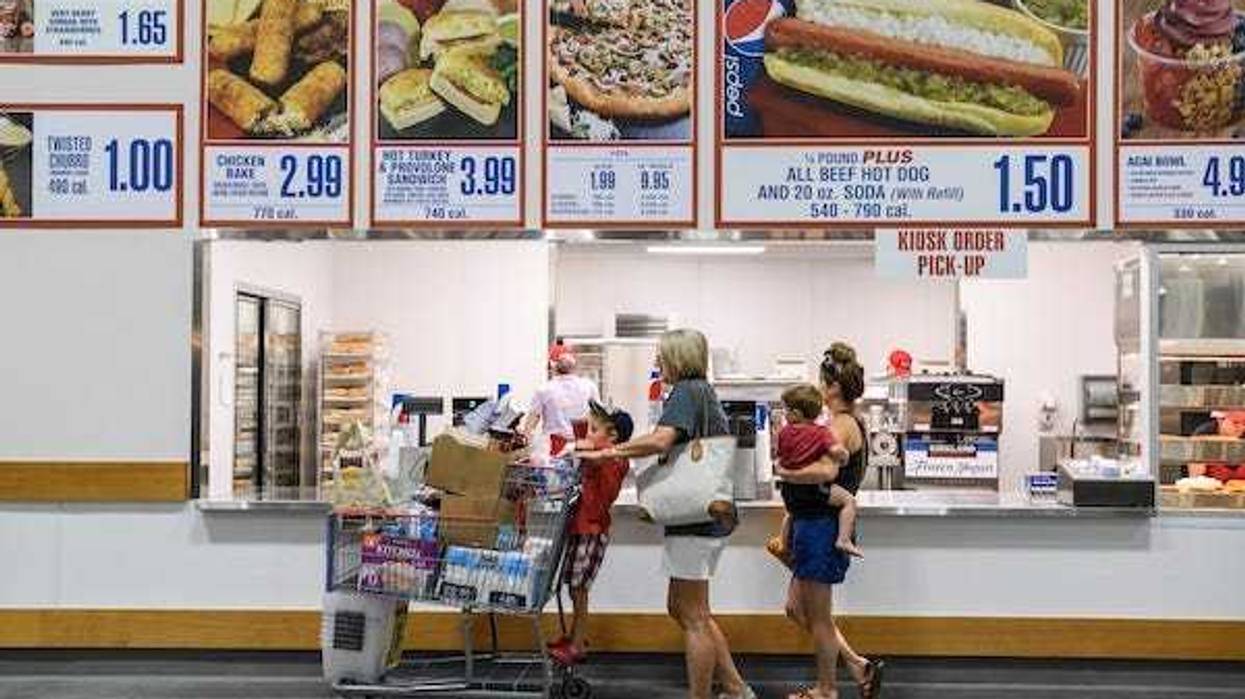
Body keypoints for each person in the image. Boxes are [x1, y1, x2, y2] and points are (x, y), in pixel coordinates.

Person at [580, 328, 753, 699]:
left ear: (678, 357)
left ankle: (704, 695)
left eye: (662, 355)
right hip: (701, 515)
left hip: (697, 518)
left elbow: (661, 440)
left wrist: (611, 451)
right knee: (683, 608)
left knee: (693, 616)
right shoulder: (700, 392)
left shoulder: (688, 391)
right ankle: (736, 688)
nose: (658, 362)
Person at [776, 343, 883, 699]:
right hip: (812, 523)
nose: (818, 390)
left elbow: (824, 471)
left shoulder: (841, 425)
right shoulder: (838, 423)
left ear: (833, 387)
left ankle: (827, 690)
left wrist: (784, 470)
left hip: (823, 526)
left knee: (819, 618)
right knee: (795, 608)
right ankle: (856, 665)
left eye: (822, 383)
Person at [548, 401, 635, 666]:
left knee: (579, 590)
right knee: (575, 589)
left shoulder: (612, 458)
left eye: (594, 429)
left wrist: (571, 447)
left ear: (613, 436)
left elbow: (587, 449)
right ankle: (575, 637)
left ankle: (577, 643)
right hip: (583, 528)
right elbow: (585, 444)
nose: (587, 434)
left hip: (591, 531)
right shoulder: (607, 454)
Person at [774, 384, 862, 559]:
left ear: (797, 414)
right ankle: (843, 539)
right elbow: (836, 454)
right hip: (812, 491)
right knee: (848, 501)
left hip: (789, 491)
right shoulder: (821, 433)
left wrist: (786, 471)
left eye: (786, 410)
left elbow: (779, 456)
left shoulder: (783, 433)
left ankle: (783, 543)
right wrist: (844, 457)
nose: (785, 414)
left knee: (792, 513)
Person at [522, 343, 600, 455]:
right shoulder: (589, 386)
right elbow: (599, 418)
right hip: (583, 448)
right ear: (574, 364)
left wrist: (526, 437)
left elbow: (531, 423)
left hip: (554, 449)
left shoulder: (544, 390)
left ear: (552, 365)